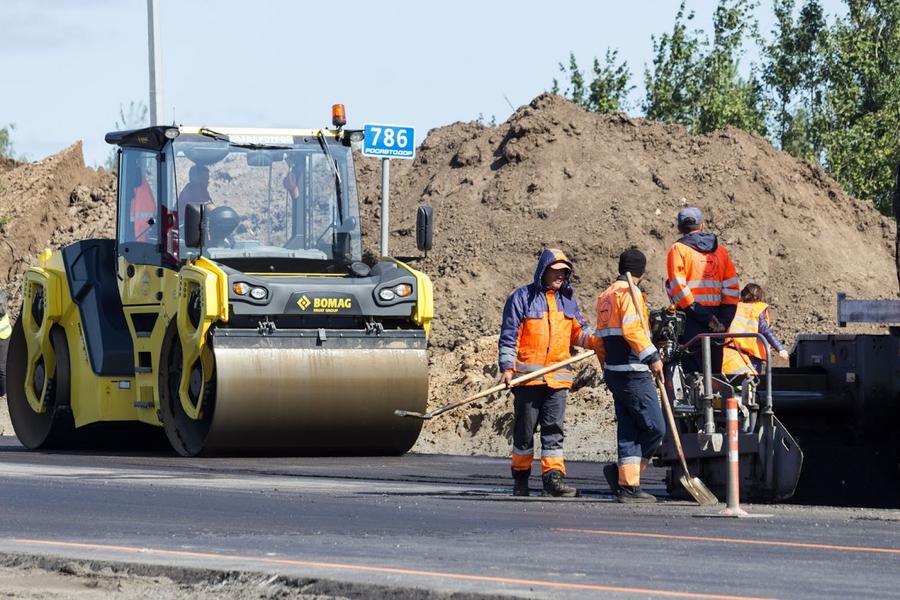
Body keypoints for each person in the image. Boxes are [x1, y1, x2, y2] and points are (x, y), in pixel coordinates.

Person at [498, 248, 596, 497]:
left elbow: (578, 333)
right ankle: (520, 478)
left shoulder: (567, 301)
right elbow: (509, 337)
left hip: (558, 378)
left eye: (564, 272)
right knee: (524, 432)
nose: (561, 276)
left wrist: (599, 341)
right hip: (528, 379)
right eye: (556, 271)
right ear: (543, 270)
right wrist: (508, 368)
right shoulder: (522, 298)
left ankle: (553, 479)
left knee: (554, 431)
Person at [594, 248, 666, 503]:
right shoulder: (630, 294)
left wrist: (606, 368)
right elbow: (634, 330)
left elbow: (599, 340)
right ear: (641, 272)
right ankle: (628, 480)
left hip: (615, 373)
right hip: (634, 372)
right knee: (655, 428)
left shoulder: (605, 296)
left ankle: (626, 483)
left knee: (629, 430)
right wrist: (653, 357)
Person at [665, 207, 740, 373]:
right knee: (714, 377)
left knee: (694, 378)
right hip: (718, 321)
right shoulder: (721, 252)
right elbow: (732, 289)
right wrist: (722, 322)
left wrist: (707, 319)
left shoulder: (678, 250)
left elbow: (679, 290)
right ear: (702, 226)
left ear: (679, 228)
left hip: (692, 319)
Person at [722, 283, 790, 377]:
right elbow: (765, 330)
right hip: (750, 357)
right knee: (751, 385)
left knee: (731, 385)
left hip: (729, 354)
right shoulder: (757, 309)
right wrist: (780, 348)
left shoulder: (734, 308)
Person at [0, 290, 10, 397]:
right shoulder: (2, 294)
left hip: (3, 336)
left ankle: (3, 393)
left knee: (1, 368)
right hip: (4, 334)